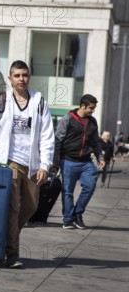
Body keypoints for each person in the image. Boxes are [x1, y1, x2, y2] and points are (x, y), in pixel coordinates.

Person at [0, 60, 55, 268]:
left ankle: (5, 237)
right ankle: (12, 253)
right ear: (10, 79)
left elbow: (47, 136)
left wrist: (45, 165)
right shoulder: (2, 101)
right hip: (8, 163)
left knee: (30, 206)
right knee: (12, 207)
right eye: (17, 75)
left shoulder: (39, 102)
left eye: (25, 75)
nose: (22, 79)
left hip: (32, 165)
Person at [54, 94, 105, 230]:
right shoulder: (68, 119)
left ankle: (78, 214)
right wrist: (55, 161)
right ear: (83, 106)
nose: (92, 110)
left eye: (94, 108)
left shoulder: (92, 121)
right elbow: (57, 140)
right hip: (68, 160)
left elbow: (95, 142)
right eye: (91, 108)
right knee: (68, 192)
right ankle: (68, 219)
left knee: (90, 186)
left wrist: (100, 157)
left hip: (86, 162)